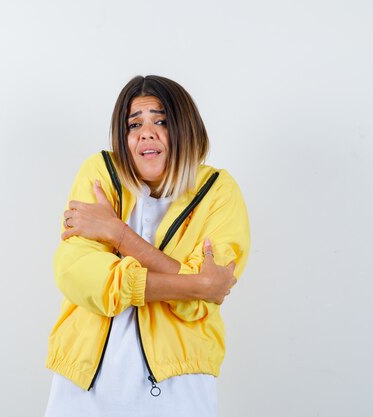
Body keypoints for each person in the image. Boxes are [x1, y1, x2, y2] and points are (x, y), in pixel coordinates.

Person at [44, 75, 250, 417]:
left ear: (186, 129)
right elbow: (77, 274)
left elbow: (197, 304)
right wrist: (196, 285)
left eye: (161, 121)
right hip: (83, 388)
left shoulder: (218, 191)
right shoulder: (100, 174)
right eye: (134, 124)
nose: (146, 132)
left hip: (179, 388)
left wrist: (119, 235)